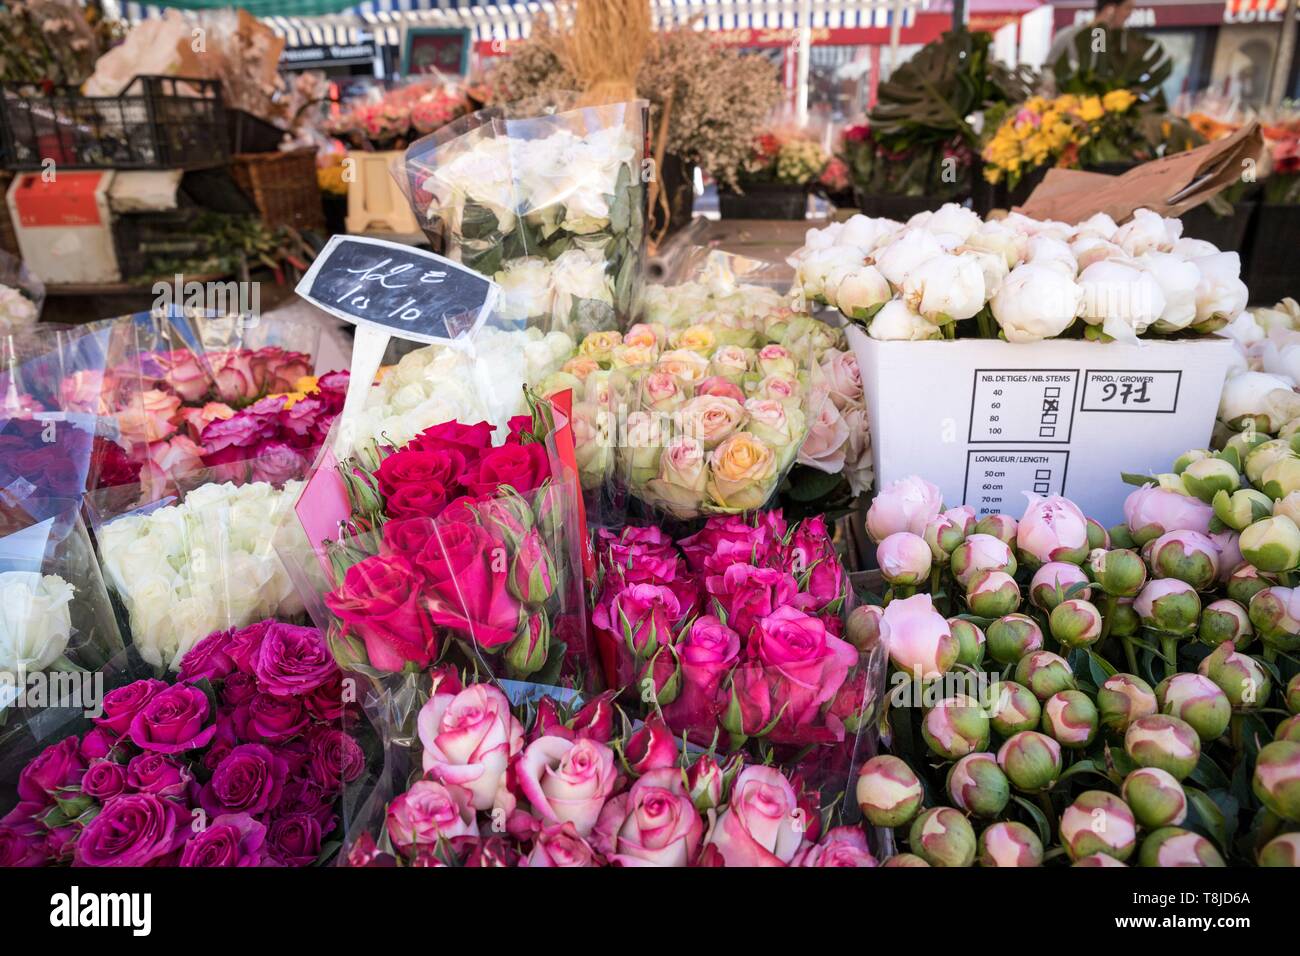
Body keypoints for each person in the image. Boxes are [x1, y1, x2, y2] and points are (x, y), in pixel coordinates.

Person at [1045, 0, 1135, 72]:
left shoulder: (1125, 41)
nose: (1131, 13)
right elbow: (1048, 69)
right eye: (1128, 8)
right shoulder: (1068, 36)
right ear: (1110, 9)